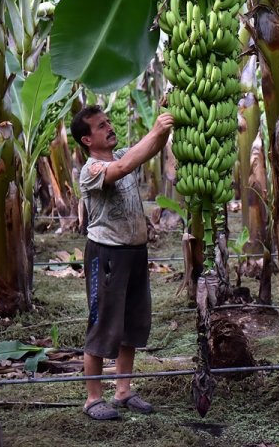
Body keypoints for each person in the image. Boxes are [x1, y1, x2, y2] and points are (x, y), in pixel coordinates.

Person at [70, 104, 174, 420]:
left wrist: (167, 122)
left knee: (132, 324)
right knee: (103, 324)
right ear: (87, 140)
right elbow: (124, 168)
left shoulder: (123, 154)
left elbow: (150, 148)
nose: (109, 127)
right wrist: (155, 130)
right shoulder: (90, 171)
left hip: (135, 252)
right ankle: (92, 398)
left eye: (108, 122)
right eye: (101, 126)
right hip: (107, 254)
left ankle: (123, 390)